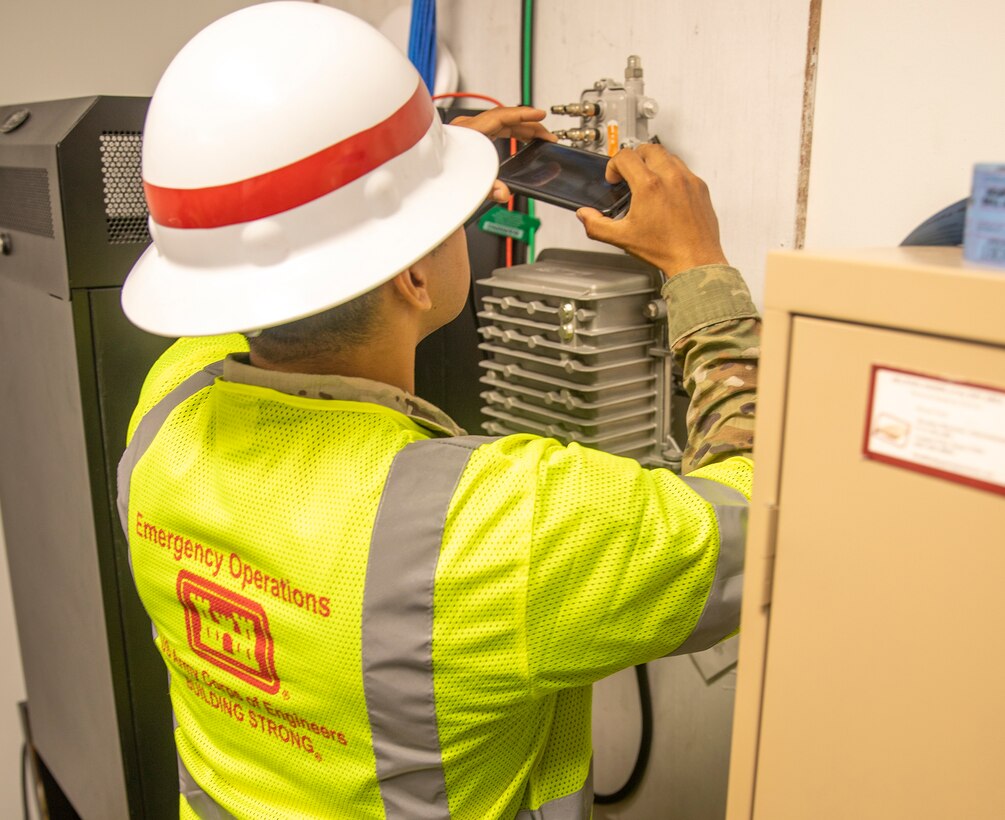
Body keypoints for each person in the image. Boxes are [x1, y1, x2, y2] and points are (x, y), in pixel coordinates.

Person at [116, 3, 760, 819]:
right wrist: (699, 264)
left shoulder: (166, 407)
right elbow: (757, 519)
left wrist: (404, 169)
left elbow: (268, 254)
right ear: (413, 276)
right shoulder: (498, 527)